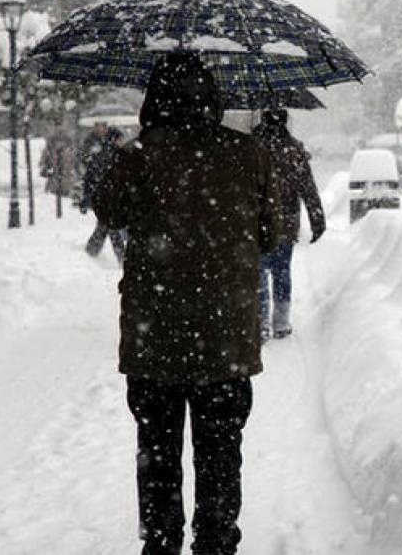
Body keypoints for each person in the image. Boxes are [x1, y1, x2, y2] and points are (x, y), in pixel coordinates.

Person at [91, 53, 281, 555]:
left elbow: (107, 209)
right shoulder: (248, 154)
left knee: (157, 450)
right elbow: (272, 233)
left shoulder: (139, 156)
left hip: (154, 335)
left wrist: (129, 155)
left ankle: (161, 540)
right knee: (220, 451)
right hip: (225, 337)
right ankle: (216, 542)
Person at [254, 108, 325, 340]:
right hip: (285, 222)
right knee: (281, 271)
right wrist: (317, 220)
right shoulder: (294, 150)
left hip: (257, 222)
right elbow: (308, 189)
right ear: (285, 122)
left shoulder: (252, 147)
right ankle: (281, 322)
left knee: (259, 273)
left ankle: (261, 320)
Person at [80, 121, 128, 260]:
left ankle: (92, 250)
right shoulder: (98, 147)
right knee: (108, 223)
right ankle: (120, 256)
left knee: (106, 224)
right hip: (104, 192)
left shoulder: (114, 147)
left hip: (112, 192)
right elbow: (91, 171)